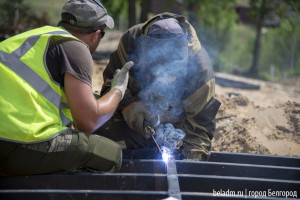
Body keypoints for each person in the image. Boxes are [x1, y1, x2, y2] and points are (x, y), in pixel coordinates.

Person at [0, 0, 133, 176]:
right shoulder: (76, 48)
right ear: (97, 34)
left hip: (8, 137)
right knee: (110, 153)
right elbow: (88, 122)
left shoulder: (35, 37)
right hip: (16, 143)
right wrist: (118, 90)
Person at [97, 12, 221, 160]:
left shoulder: (200, 67)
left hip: (178, 133)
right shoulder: (130, 42)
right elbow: (110, 87)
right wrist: (129, 105)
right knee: (94, 129)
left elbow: (200, 130)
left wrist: (191, 164)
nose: (165, 77)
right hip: (137, 127)